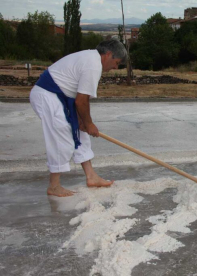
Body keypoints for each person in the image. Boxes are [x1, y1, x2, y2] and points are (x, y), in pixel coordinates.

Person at [30, 39, 127, 197]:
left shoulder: (91, 59)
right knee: (62, 137)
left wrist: (83, 123)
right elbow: (81, 101)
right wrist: (89, 124)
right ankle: (54, 186)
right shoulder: (93, 65)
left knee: (80, 134)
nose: (115, 68)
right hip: (47, 96)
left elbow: (79, 98)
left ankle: (91, 176)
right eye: (116, 63)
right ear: (108, 55)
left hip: (60, 96)